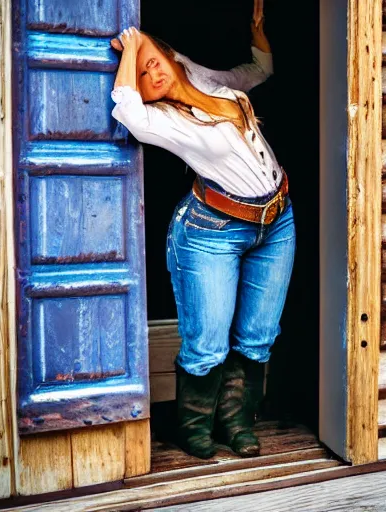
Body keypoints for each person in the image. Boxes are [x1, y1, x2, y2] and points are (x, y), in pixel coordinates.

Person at [110, 1, 296, 459]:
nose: (150, 74)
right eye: (140, 74)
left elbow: (258, 71)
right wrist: (133, 46)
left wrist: (258, 31)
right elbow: (128, 114)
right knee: (207, 343)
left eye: (153, 60)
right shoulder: (162, 120)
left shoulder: (209, 82)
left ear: (171, 56)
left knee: (258, 336)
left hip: (276, 222)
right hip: (210, 231)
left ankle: (236, 423)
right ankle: (191, 427)